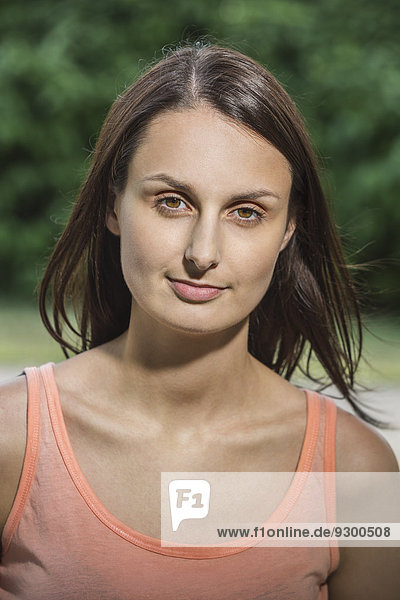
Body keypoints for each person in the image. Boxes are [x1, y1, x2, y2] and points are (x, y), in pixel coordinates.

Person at [0, 40, 399, 599]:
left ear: (288, 231)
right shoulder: (9, 440)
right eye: (172, 201)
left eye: (246, 213)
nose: (203, 252)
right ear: (114, 205)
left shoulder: (358, 474)